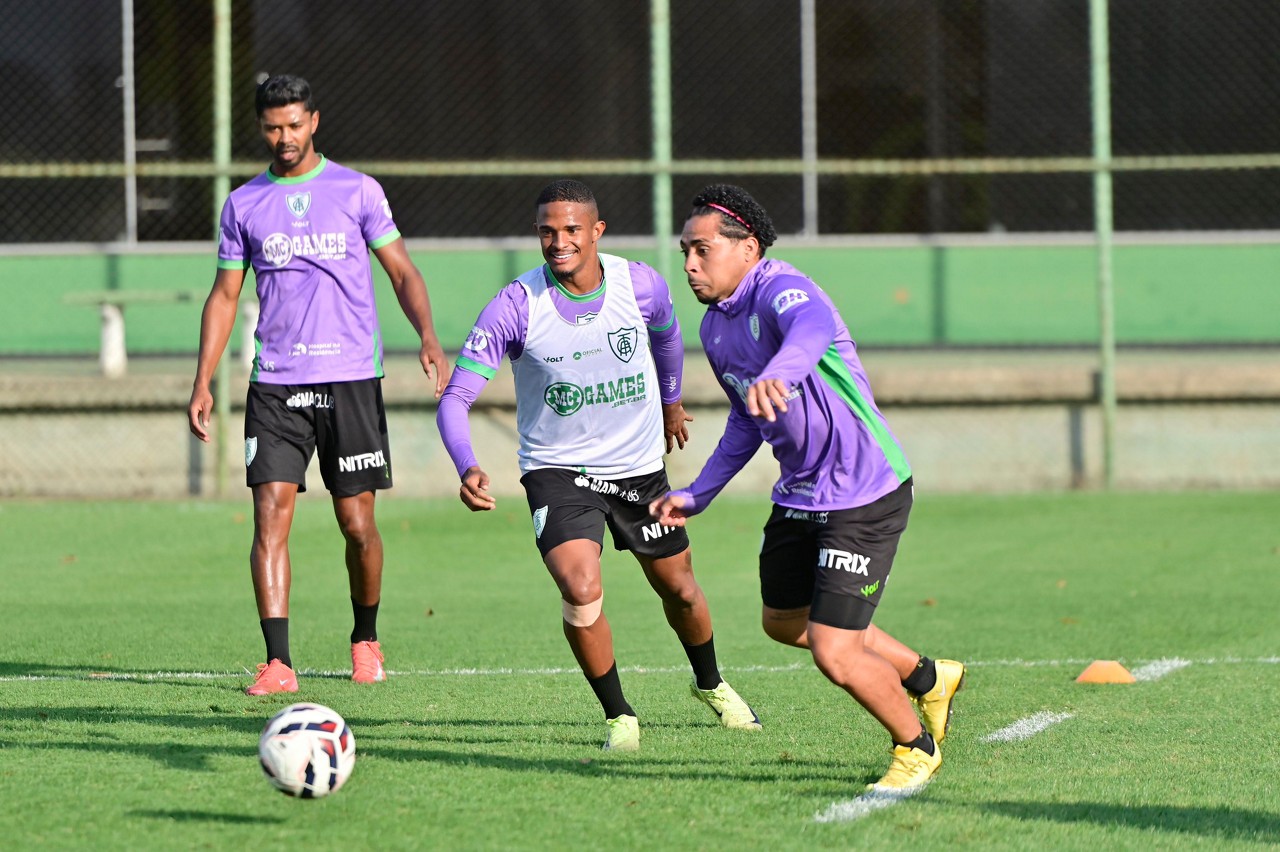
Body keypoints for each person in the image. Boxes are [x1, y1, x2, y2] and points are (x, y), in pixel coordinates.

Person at [649, 184, 965, 791]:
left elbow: (812, 326)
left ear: (748, 248)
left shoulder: (782, 288)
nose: (689, 264)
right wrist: (700, 492)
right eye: (685, 251)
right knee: (784, 622)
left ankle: (915, 746)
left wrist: (781, 371)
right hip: (800, 494)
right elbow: (747, 416)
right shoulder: (715, 327)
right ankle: (928, 678)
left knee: (834, 649)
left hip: (863, 492)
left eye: (702, 250)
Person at [435, 179, 758, 751]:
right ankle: (619, 716)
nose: (558, 242)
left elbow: (667, 337)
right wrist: (467, 464)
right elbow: (456, 398)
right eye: (547, 232)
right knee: (581, 588)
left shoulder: (640, 285)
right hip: (558, 473)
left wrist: (672, 401)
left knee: (680, 590)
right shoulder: (515, 305)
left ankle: (711, 684)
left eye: (571, 231)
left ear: (596, 231)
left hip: (637, 469)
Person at [187, 75, 450, 696]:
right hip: (276, 383)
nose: (284, 137)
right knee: (269, 516)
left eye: (295, 124)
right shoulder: (244, 204)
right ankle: (277, 662)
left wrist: (429, 335)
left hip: (351, 377)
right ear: (260, 127)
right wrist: (203, 379)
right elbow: (225, 296)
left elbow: (402, 271)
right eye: (273, 127)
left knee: (357, 524)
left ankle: (365, 640)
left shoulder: (357, 191)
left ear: (315, 121)